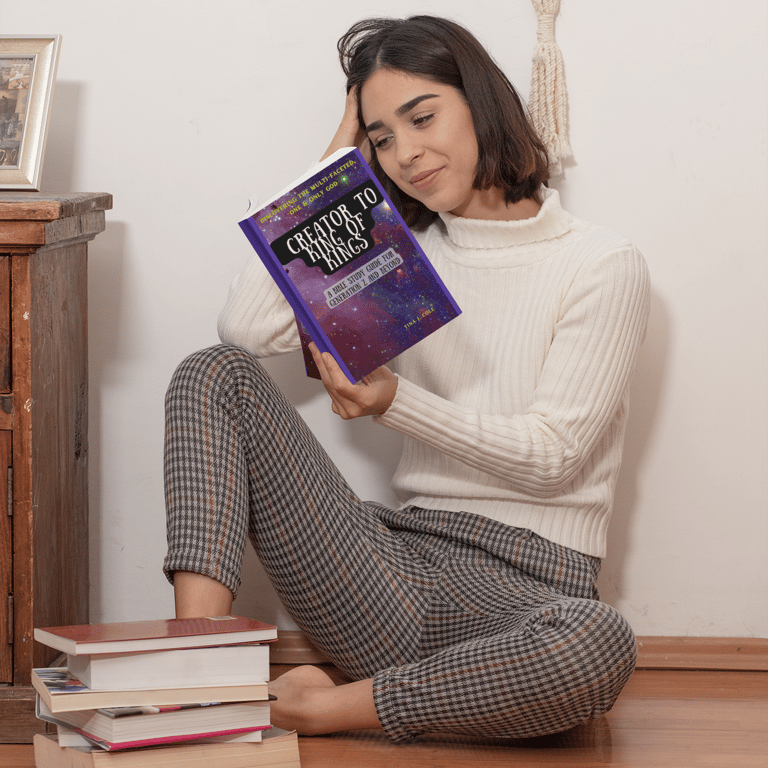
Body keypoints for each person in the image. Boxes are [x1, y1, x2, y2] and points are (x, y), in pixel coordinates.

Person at [163, 15, 650, 742]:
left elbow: (554, 458)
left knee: (597, 643)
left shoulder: (600, 264)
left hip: (530, 594)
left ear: (481, 101)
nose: (406, 154)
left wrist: (396, 402)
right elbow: (246, 329)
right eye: (382, 137)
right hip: (386, 571)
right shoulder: (395, 255)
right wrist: (336, 165)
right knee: (214, 373)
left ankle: (326, 709)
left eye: (422, 117)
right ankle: (192, 678)